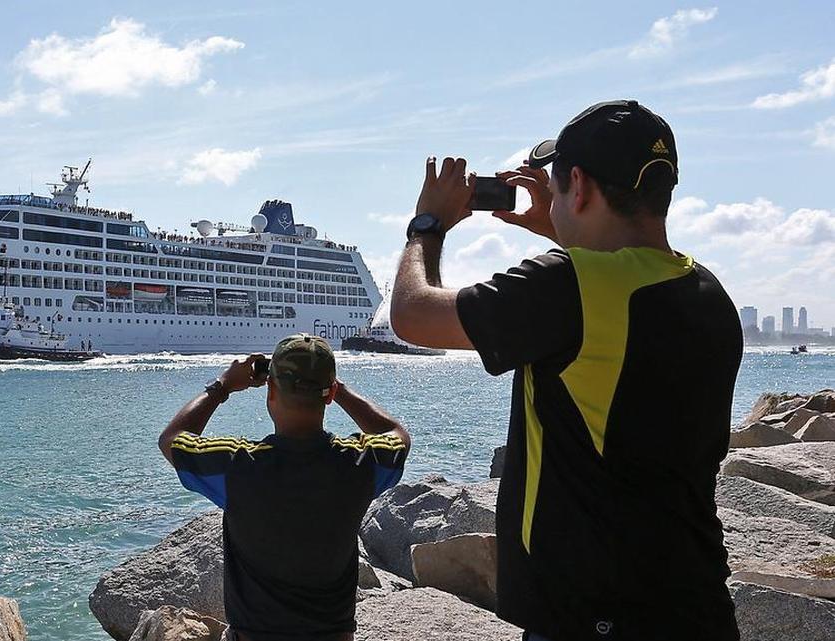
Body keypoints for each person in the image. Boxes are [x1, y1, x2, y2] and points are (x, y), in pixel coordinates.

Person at [390, 100, 741, 641]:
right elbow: (615, 297)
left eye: (554, 186)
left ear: (577, 184)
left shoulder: (567, 285)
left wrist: (427, 225)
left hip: (591, 615)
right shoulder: (706, 291)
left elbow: (413, 315)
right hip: (694, 599)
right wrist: (563, 226)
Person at [158, 334, 410, 641]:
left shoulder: (238, 466)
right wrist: (337, 389)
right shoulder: (360, 463)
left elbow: (172, 439)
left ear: (271, 389)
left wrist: (222, 386)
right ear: (328, 394)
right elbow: (397, 434)